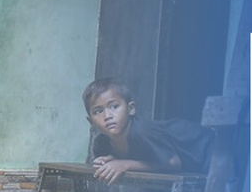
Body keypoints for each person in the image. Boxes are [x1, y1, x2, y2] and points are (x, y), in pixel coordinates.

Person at [82, 77, 213, 184]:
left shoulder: (143, 132)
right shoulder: (101, 144)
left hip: (208, 149)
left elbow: (173, 163)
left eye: (114, 106)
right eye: (98, 111)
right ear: (91, 122)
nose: (107, 116)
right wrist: (112, 159)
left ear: (131, 109)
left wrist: (124, 164)